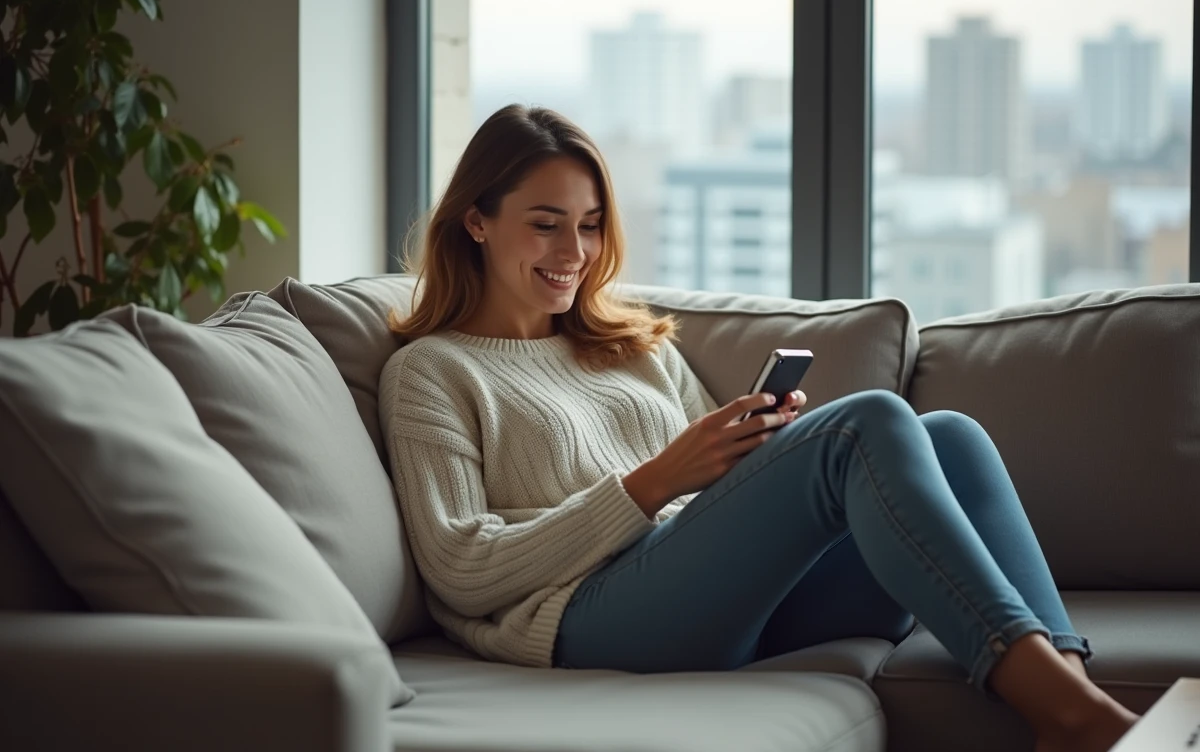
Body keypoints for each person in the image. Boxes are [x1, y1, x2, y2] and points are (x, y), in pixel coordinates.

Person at [379, 104, 1139, 752]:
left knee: (951, 437)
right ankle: (1082, 720)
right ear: (476, 221)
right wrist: (654, 483)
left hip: (715, 596)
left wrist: (758, 454)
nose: (573, 254)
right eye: (545, 225)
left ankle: (1065, 700)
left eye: (589, 225)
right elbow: (461, 568)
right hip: (587, 618)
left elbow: (709, 500)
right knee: (864, 424)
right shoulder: (433, 373)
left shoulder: (630, 347)